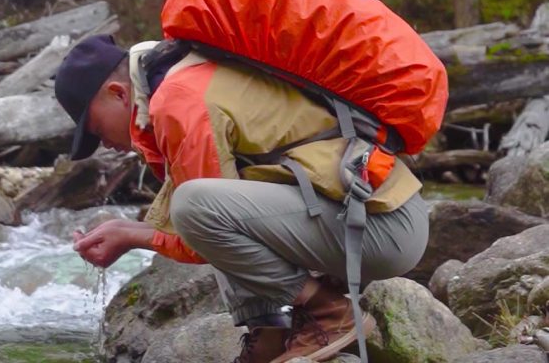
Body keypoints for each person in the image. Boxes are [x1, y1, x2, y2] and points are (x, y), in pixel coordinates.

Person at [54, 31, 430, 363]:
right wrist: (130, 228)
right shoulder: (185, 73)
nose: (104, 144)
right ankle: (270, 333)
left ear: (118, 93)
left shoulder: (178, 99)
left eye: (95, 129)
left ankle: (329, 311)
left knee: (196, 204)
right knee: (214, 194)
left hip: (384, 229)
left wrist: (134, 235)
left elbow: (200, 231)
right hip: (369, 216)